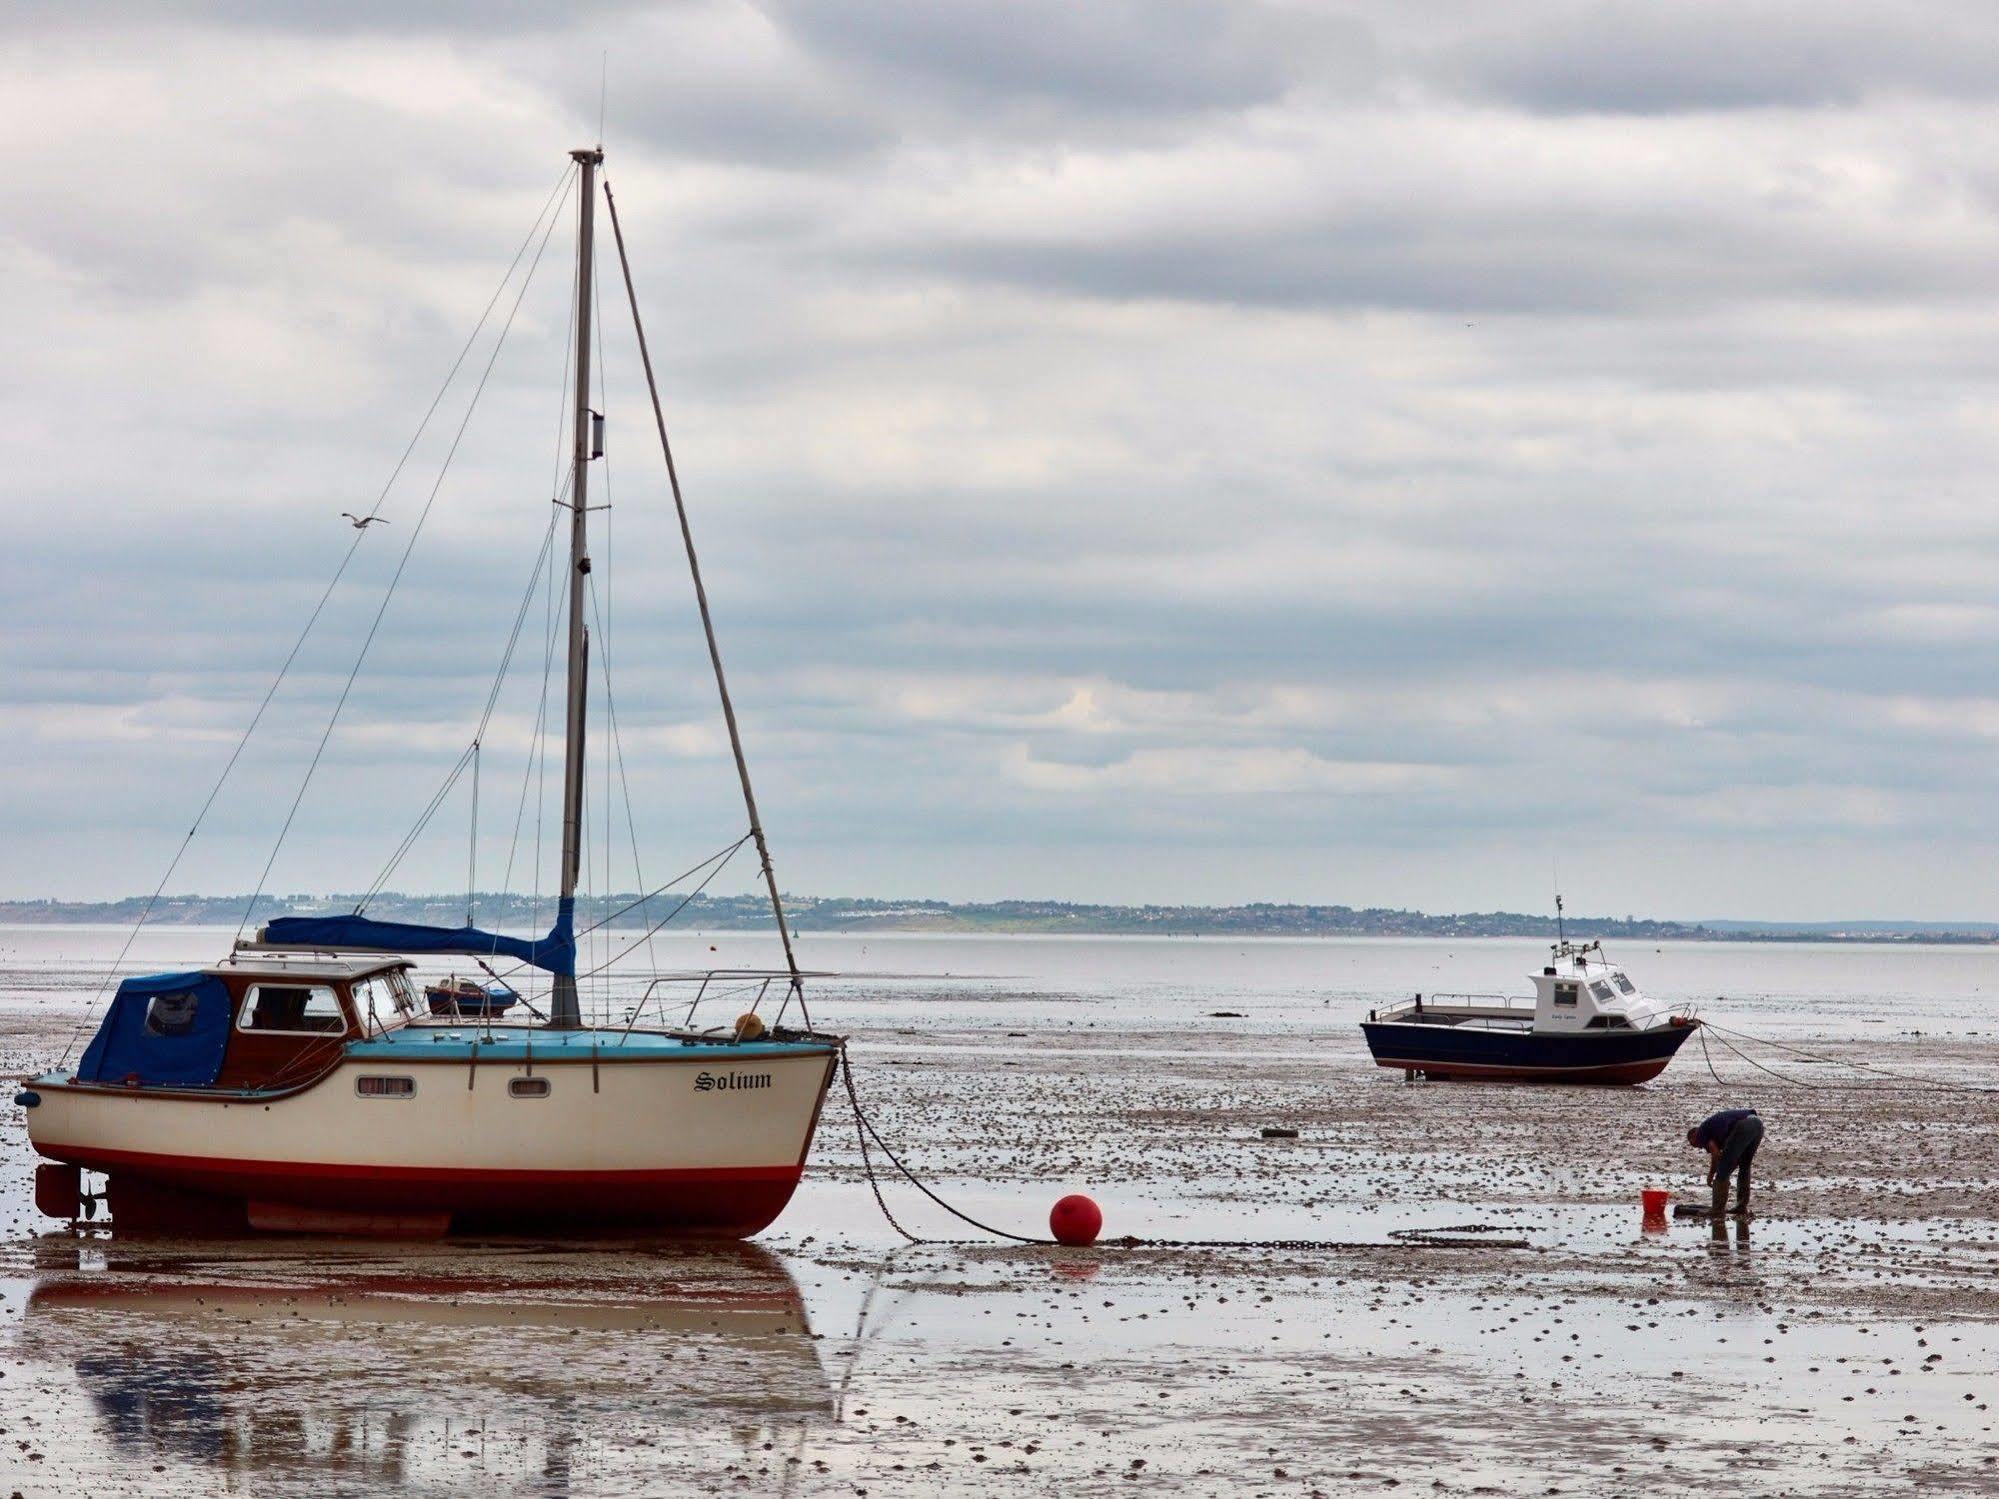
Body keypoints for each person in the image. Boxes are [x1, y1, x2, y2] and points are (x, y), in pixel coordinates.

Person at [1687, 1107, 1762, 1217]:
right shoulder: (1714, 1133)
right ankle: (1741, 1207)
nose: (1698, 1147)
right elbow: (1725, 1155)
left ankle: (1717, 1210)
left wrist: (1718, 1173)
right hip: (1757, 1125)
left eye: (1693, 1144)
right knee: (1744, 1166)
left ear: (1694, 1135)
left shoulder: (1701, 1132)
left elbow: (1716, 1154)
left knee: (1723, 1169)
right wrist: (1724, 1168)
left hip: (1743, 1125)